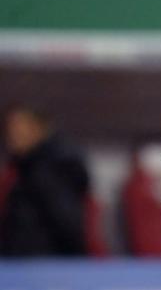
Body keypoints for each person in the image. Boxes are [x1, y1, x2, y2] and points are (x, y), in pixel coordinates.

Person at [0, 103, 92, 256]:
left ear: (39, 129)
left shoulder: (49, 170)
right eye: (9, 129)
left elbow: (67, 221)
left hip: (44, 264)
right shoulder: (22, 169)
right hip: (21, 263)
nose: (12, 136)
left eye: (19, 128)